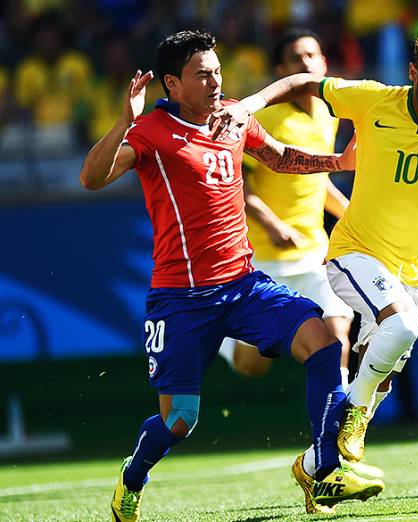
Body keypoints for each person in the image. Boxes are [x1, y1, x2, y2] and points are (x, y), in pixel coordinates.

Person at [78, 30, 382, 521]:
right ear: (172, 84)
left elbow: (280, 157)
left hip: (244, 283)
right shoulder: (152, 132)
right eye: (203, 74)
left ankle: (324, 470)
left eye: (218, 71)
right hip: (180, 300)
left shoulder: (234, 118)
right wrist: (123, 122)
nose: (216, 81)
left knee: (325, 342)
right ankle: (133, 476)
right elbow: (91, 178)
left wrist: (338, 162)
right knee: (179, 421)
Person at [210, 24, 418, 463]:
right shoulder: (375, 99)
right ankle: (352, 413)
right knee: (402, 328)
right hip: (352, 253)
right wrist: (249, 104)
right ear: (413, 73)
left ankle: (317, 462)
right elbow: (305, 83)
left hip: (412, 269)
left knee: (384, 368)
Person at [216, 28, 356, 386]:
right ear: (281, 72)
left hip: (314, 251)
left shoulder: (330, 113)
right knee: (253, 365)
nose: (306, 63)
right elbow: (235, 185)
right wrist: (272, 223)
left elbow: (315, 182)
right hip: (264, 257)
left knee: (337, 335)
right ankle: (227, 337)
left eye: (312, 55)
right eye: (296, 58)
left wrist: (354, 217)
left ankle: (336, 426)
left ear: (324, 63)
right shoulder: (264, 119)